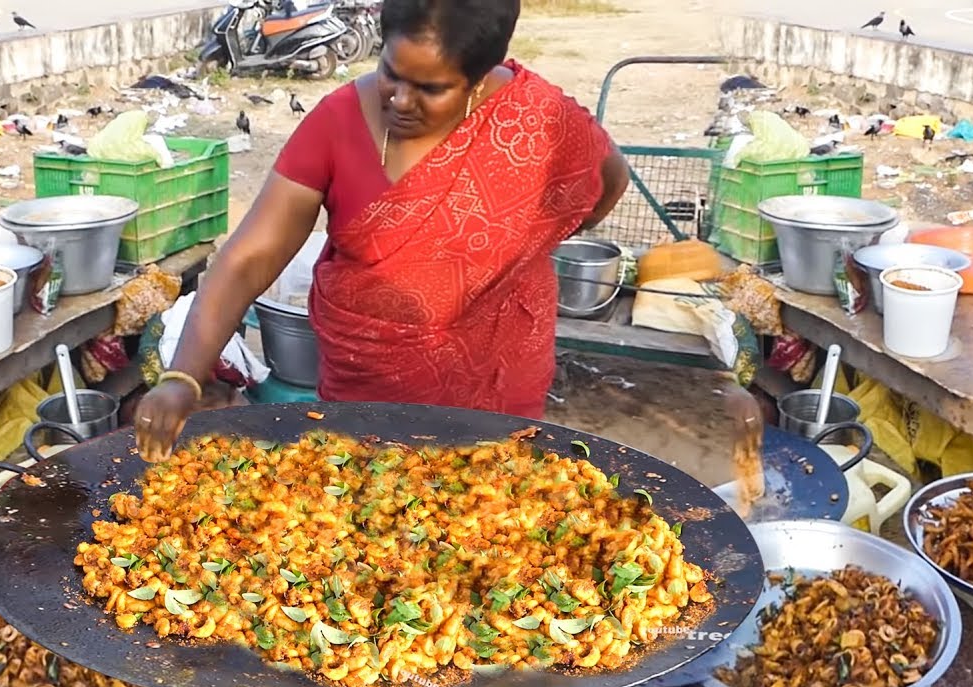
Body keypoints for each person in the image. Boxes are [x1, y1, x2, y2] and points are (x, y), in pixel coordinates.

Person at [135, 0, 629, 462]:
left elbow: (608, 181)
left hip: (496, 384)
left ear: (479, 77)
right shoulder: (338, 121)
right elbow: (249, 258)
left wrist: (524, 240)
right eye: (390, 73)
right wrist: (183, 376)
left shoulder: (536, 119)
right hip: (367, 389)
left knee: (492, 526)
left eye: (432, 89)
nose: (401, 99)